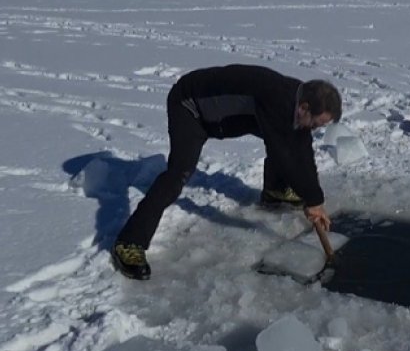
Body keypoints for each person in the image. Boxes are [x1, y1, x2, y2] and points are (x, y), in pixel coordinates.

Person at [110, 64, 342, 280]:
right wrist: (312, 199)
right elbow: (285, 153)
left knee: (288, 139)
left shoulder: (296, 100)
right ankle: (129, 243)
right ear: (304, 107)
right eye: (315, 124)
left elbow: (301, 150)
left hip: (233, 116)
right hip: (190, 107)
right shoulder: (277, 99)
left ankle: (276, 191)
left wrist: (315, 199)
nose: (314, 129)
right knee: (177, 174)